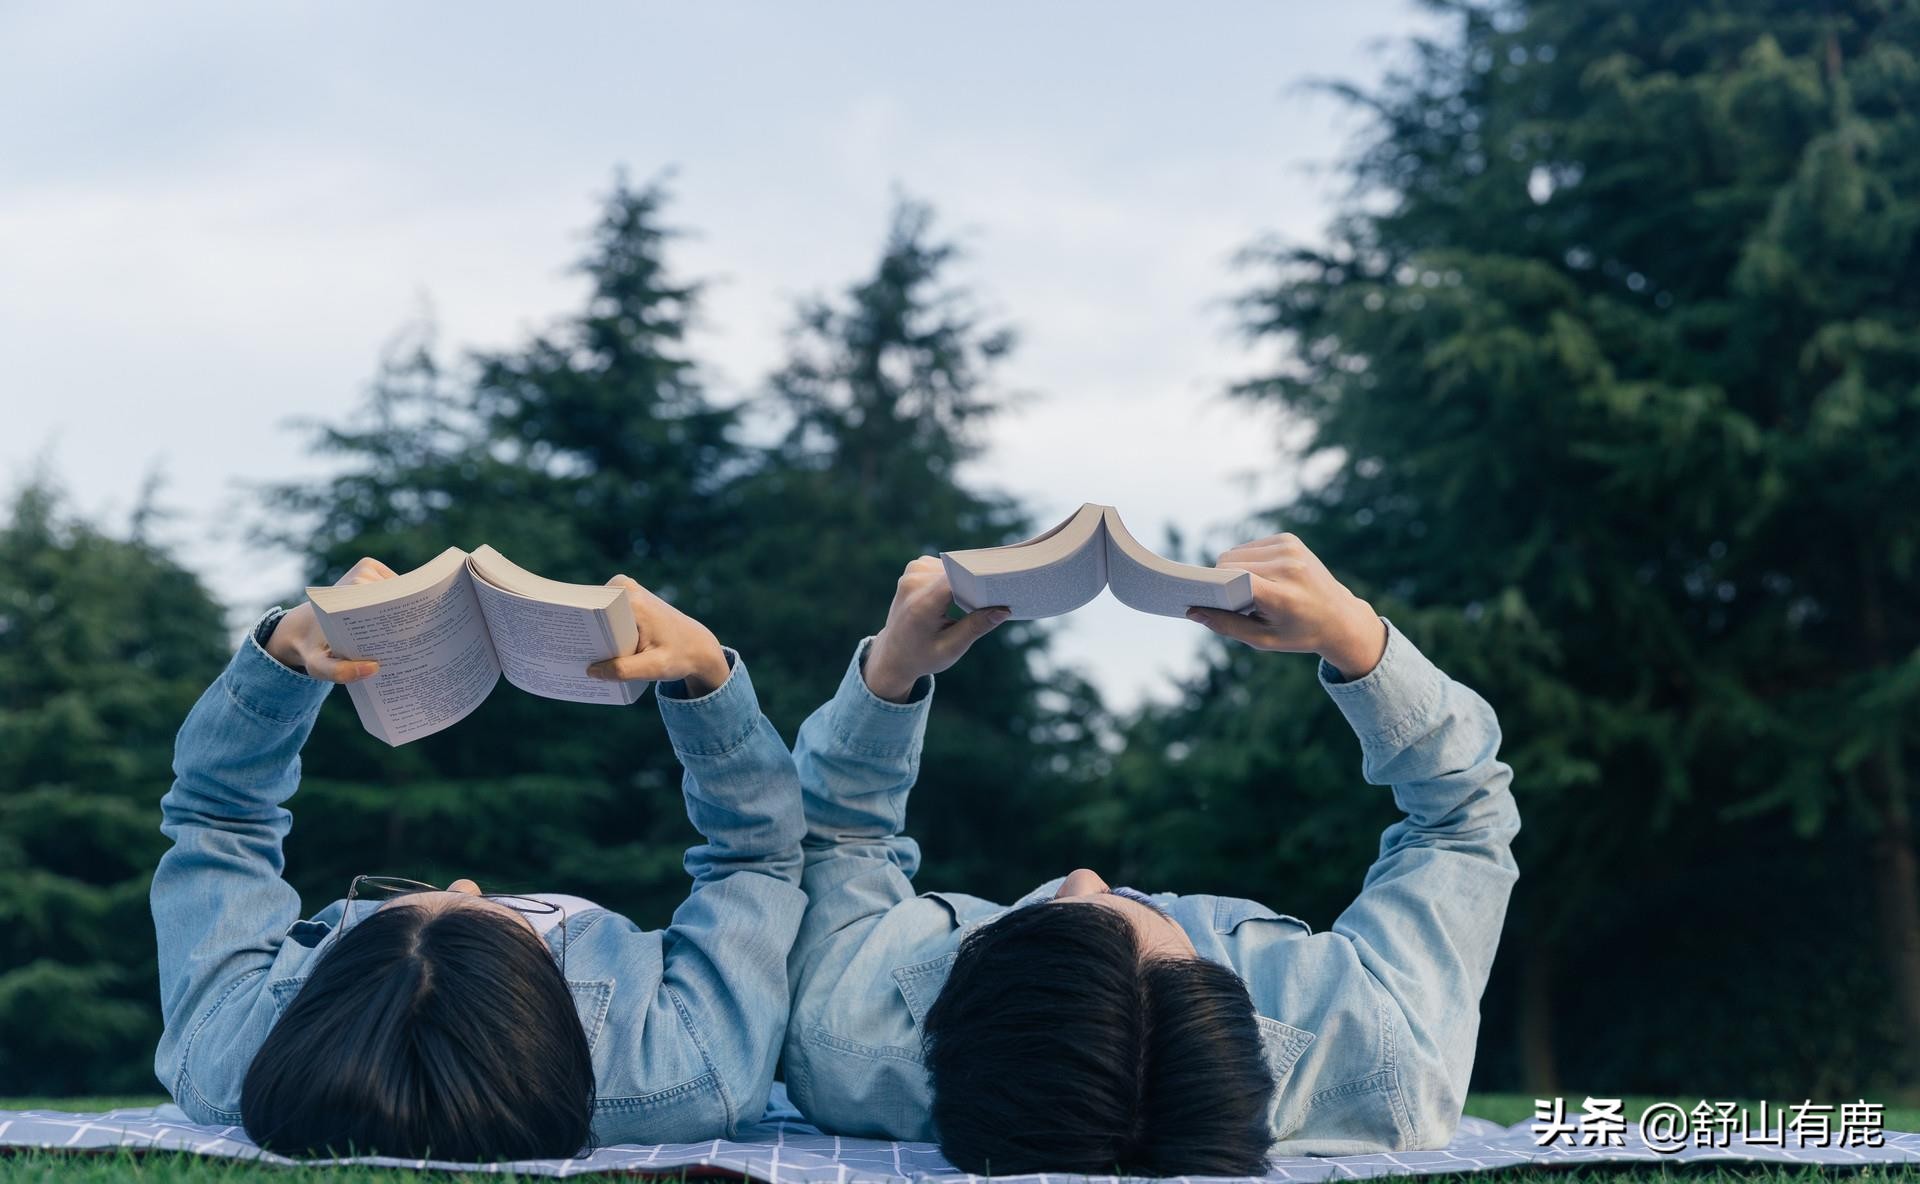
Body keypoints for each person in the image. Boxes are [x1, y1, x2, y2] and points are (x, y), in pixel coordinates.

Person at [782, 534, 1521, 1176]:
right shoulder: (1384, 1058)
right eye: (1144, 912)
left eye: (1045, 913)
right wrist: (1359, 642)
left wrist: (888, 675)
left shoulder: (845, 1040)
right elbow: (1462, 820)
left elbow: (838, 839)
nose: (1086, 874)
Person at [152, 557, 805, 1161]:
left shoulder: (229, 1058)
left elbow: (217, 818)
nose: (468, 882)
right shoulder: (681, 1073)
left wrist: (281, 655)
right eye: (503, 915)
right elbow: (756, 859)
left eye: (395, 900)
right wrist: (706, 680)